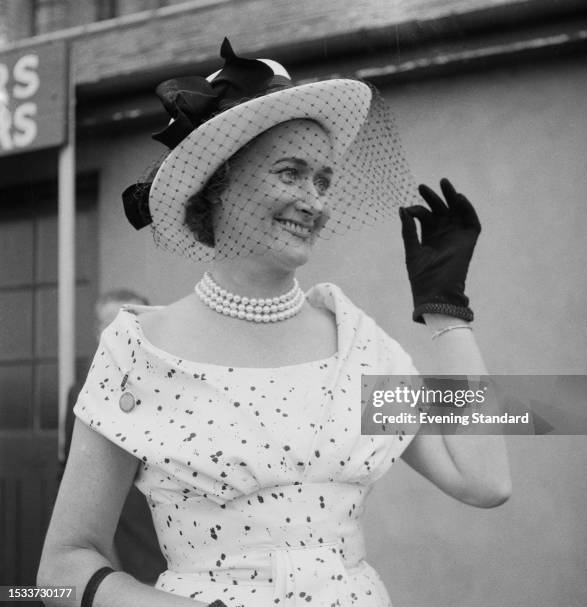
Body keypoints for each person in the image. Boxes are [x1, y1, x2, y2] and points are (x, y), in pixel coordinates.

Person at [38, 39, 511, 607]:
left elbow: (485, 481)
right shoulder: (139, 352)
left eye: (323, 180)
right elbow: (61, 568)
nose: (314, 200)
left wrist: (447, 313)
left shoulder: (353, 343)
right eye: (291, 173)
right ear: (218, 184)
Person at [63, 289, 166, 586]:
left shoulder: (170, 381)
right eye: (113, 324)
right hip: (119, 529)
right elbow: (73, 473)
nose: (127, 332)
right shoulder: (83, 390)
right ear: (99, 332)